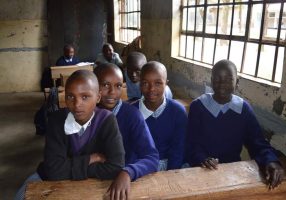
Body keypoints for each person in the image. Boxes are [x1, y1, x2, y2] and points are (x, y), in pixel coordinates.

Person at [15, 70, 125, 200]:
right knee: (21, 196)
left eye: (85, 97)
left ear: (98, 97)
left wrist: (68, 167)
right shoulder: (57, 120)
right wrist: (90, 159)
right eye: (70, 96)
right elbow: (52, 171)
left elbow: (116, 166)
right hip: (47, 179)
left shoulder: (107, 120)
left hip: (92, 182)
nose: (77, 104)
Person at [186, 59, 284, 189]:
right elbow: (192, 142)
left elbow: (257, 142)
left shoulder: (243, 109)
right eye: (217, 78)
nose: (222, 84)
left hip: (232, 171)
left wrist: (271, 161)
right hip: (201, 168)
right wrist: (202, 159)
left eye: (228, 79)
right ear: (211, 80)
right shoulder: (198, 106)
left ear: (237, 83)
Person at [94, 63, 159, 200]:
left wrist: (128, 172)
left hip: (123, 184)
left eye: (118, 86)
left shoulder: (132, 115)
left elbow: (151, 157)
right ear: (93, 85)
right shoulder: (85, 114)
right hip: (90, 181)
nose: (112, 92)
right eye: (105, 85)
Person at [132, 61, 187, 171]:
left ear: (166, 83)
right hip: (139, 168)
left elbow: (178, 149)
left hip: (170, 168)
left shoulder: (178, 111)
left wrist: (170, 176)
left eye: (158, 83)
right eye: (145, 83)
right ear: (139, 84)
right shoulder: (131, 112)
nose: (151, 89)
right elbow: (131, 150)